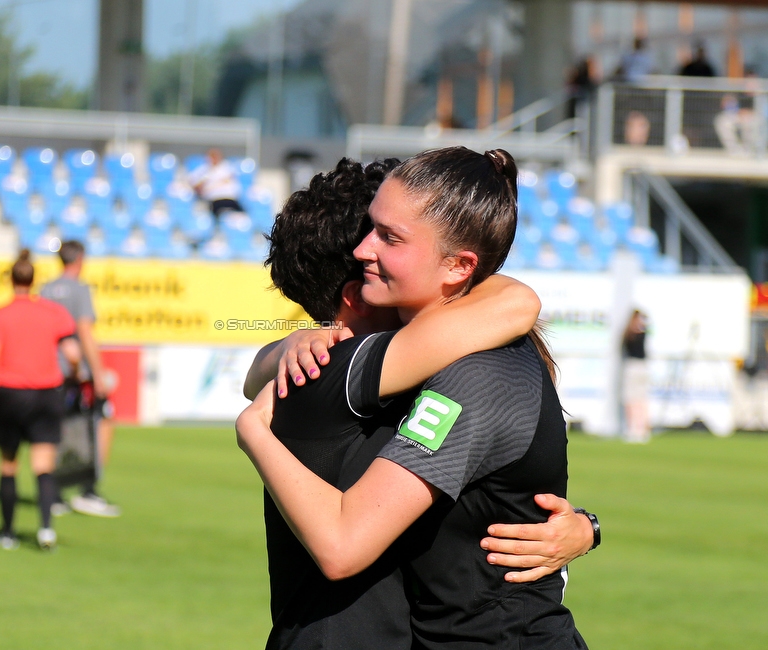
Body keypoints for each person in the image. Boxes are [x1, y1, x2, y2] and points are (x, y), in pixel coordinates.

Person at [238, 147, 589, 648]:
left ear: (459, 265)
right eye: (370, 229)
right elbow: (514, 300)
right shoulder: (401, 358)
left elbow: (344, 543)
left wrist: (252, 429)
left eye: (389, 236)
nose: (365, 250)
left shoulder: (473, 372)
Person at [0, 250, 80, 550]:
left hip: (11, 396)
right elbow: (72, 354)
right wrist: (76, 375)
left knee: (8, 464)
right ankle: (45, 530)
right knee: (43, 465)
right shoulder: (53, 312)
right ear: (34, 280)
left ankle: (7, 532)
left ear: (11, 280)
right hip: (46, 395)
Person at [40, 240, 120, 518]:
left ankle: (54, 494)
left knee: (55, 431)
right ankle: (88, 489)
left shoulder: (46, 290)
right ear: (80, 259)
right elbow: (84, 331)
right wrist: (97, 373)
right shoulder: (80, 289)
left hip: (49, 372)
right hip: (75, 373)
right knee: (101, 423)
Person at [188, 148, 244, 218]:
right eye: (212, 156)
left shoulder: (227, 167)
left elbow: (231, 180)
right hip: (215, 200)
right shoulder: (203, 170)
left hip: (230, 199)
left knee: (241, 215)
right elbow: (194, 184)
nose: (214, 158)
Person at [622, 309, 650, 443]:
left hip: (640, 367)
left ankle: (642, 428)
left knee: (640, 399)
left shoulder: (642, 333)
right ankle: (633, 428)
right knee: (631, 399)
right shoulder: (629, 333)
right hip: (632, 366)